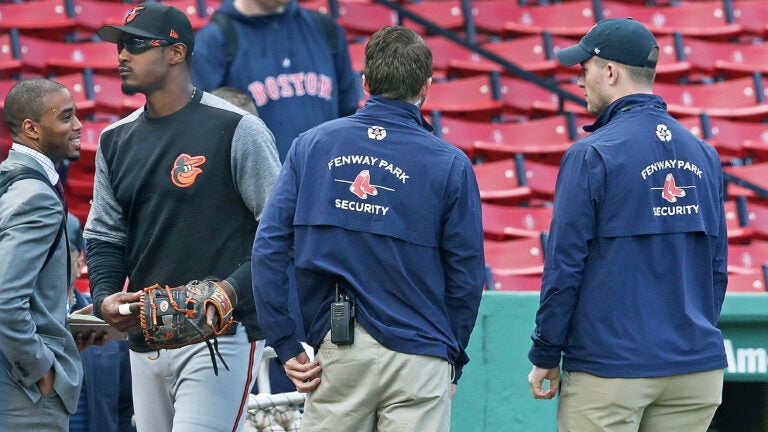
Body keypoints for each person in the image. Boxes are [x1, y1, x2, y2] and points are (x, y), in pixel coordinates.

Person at [252, 25, 485, 432]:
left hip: (341, 352)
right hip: (421, 354)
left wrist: (284, 341)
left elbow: (269, 247)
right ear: (426, 87)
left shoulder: (311, 145)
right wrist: (453, 355)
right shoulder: (450, 163)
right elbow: (466, 277)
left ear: (365, 82)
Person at [82, 3, 281, 432]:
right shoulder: (115, 140)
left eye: (134, 44)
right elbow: (103, 236)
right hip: (145, 340)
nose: (120, 55)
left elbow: (280, 234)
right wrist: (103, 297)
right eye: (119, 45)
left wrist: (231, 290)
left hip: (219, 335)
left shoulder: (236, 128)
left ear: (175, 52)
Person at [527, 18, 728, 432]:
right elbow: (717, 269)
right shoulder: (705, 155)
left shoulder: (592, 154)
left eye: (584, 70)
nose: (580, 81)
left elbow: (564, 267)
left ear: (611, 72)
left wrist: (546, 353)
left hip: (611, 369)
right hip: (696, 369)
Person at [0, 78, 84, 431]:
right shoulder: (37, 198)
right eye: (66, 117)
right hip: (25, 393)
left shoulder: (9, 177)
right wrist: (41, 370)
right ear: (32, 128)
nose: (78, 126)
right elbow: (5, 298)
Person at [191, 0, 360, 161]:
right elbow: (203, 132)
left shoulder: (325, 28)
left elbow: (349, 115)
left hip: (326, 181)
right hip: (263, 184)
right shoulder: (214, 40)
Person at [67, 213, 136, 432]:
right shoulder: (17, 323)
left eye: (60, 251)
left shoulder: (108, 318)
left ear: (80, 263)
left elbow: (127, 404)